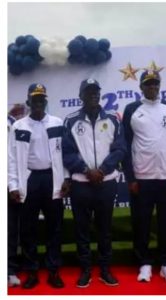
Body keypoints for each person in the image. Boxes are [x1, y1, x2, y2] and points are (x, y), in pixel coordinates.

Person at [62, 78, 126, 288]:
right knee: (82, 230)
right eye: (89, 92)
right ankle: (86, 270)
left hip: (106, 183)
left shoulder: (114, 119)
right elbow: (67, 152)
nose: (93, 95)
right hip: (81, 184)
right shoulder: (71, 120)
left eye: (96, 92)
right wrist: (85, 170)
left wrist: (102, 170)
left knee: (104, 229)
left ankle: (105, 269)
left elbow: (119, 149)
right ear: (81, 96)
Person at [122, 70, 166, 283]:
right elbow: (125, 146)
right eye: (148, 84)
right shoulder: (132, 109)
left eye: (155, 84)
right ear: (141, 87)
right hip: (142, 176)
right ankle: (144, 263)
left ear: (160, 86)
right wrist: (131, 178)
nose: (152, 88)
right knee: (142, 223)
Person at [8, 83, 70, 289]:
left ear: (46, 102)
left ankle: (53, 271)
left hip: (53, 179)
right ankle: (32, 271)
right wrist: (13, 185)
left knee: (55, 228)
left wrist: (66, 178)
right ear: (28, 102)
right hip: (29, 180)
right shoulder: (19, 126)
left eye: (41, 99)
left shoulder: (57, 123)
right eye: (34, 100)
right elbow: (11, 159)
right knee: (28, 230)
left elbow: (65, 154)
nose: (38, 103)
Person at [7, 114, 21, 287]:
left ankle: (9, 270)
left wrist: (13, 184)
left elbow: (14, 156)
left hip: (8, 184)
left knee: (10, 231)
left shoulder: (11, 122)